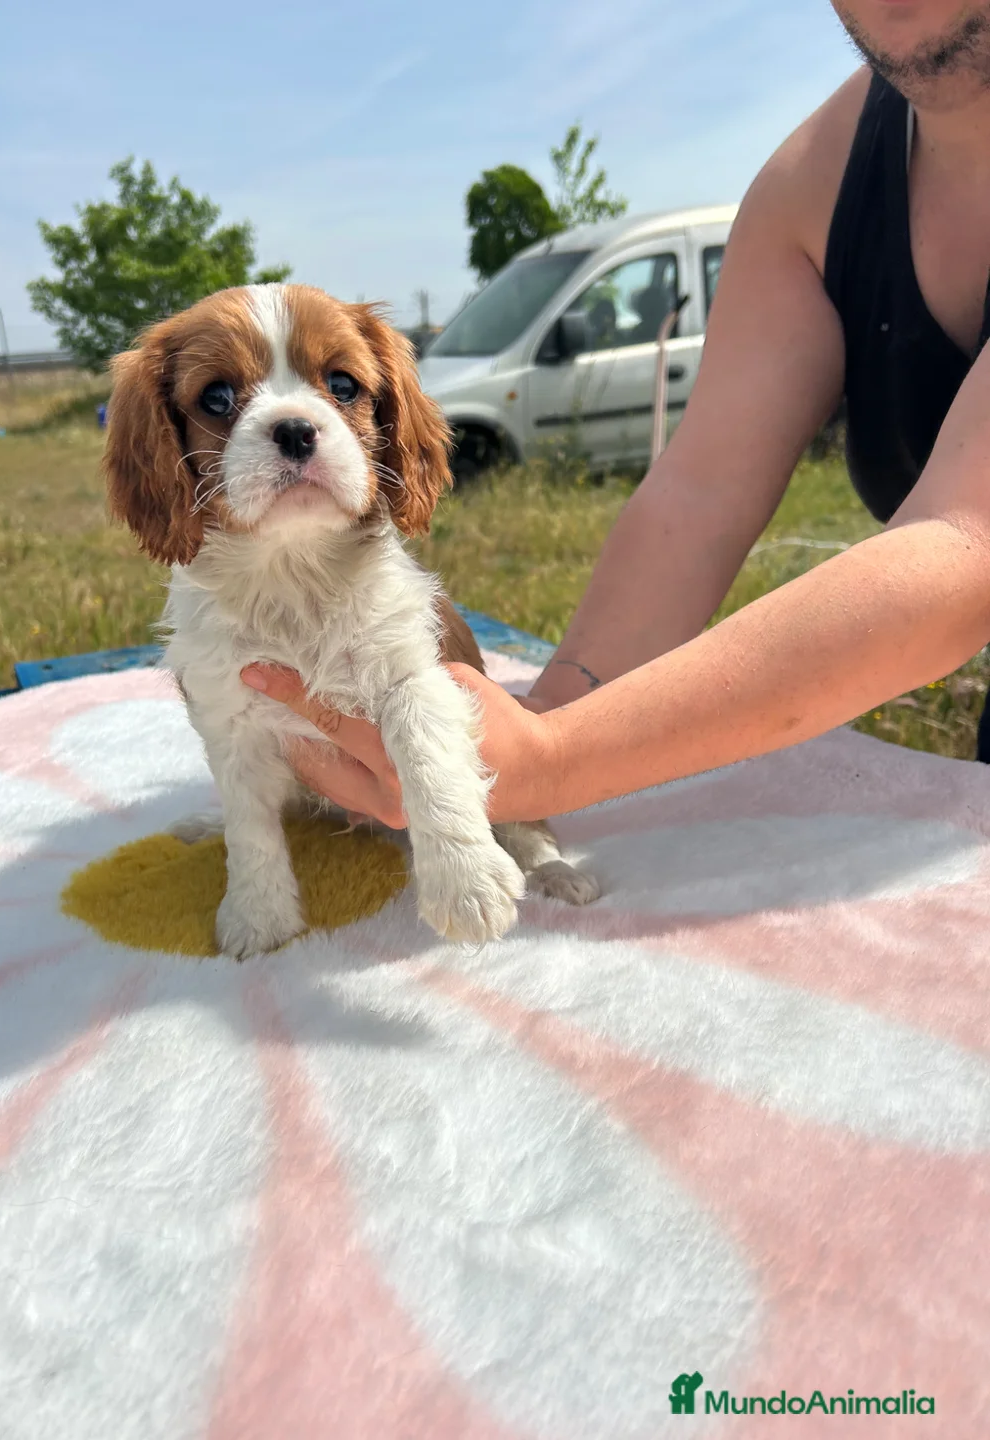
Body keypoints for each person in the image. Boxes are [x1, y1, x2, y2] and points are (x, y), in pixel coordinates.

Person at [241, 0, 990, 832]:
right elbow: (700, 492)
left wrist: (559, 764)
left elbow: (968, 552)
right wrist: (540, 726)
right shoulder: (815, 186)